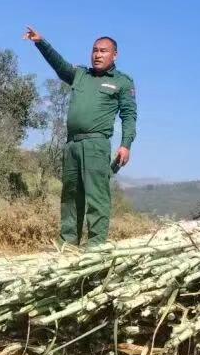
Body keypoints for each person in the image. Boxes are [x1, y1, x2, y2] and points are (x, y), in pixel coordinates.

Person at [24, 26, 137, 246]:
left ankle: (95, 248)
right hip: (72, 145)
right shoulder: (81, 75)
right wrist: (41, 42)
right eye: (95, 50)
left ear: (115, 55)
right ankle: (68, 245)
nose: (97, 54)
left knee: (97, 198)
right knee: (70, 197)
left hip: (96, 144)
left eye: (104, 51)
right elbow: (59, 65)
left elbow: (129, 116)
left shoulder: (122, 82)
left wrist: (126, 144)